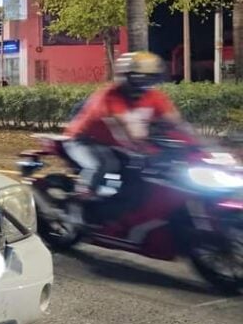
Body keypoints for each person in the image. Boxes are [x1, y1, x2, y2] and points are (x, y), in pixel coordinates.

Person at [63, 51, 182, 211]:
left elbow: (176, 122)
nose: (144, 84)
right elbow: (125, 128)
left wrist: (200, 145)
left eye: (150, 79)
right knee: (103, 164)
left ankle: (121, 208)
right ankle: (79, 204)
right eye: (139, 78)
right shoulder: (110, 96)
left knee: (137, 170)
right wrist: (144, 148)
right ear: (126, 76)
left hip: (112, 142)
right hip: (82, 140)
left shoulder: (153, 95)